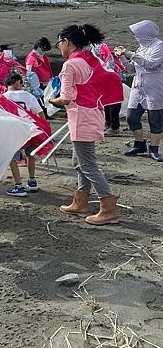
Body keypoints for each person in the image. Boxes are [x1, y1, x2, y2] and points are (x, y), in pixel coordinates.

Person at [49, 24, 123, 226]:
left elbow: (66, 97)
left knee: (88, 165)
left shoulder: (70, 65)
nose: (60, 48)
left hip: (82, 117)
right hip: (92, 114)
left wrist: (52, 101)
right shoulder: (90, 59)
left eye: (59, 43)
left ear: (67, 42)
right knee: (78, 161)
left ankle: (108, 208)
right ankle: (80, 202)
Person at [117, 20, 163, 160]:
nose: (136, 37)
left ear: (146, 33)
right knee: (131, 116)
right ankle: (139, 143)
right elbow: (130, 68)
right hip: (138, 86)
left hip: (155, 85)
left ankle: (154, 148)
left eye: (137, 34)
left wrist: (129, 53)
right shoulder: (140, 48)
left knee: (155, 119)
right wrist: (122, 57)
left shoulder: (159, 45)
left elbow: (151, 64)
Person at [1, 73, 44, 196]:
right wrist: (43, 127)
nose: (22, 86)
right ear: (16, 83)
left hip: (12, 132)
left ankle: (18, 185)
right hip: (29, 130)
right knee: (30, 155)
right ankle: (32, 181)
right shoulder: (28, 96)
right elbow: (40, 113)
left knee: (13, 159)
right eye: (21, 83)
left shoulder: (2, 98)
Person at [92, 41, 125, 137]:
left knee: (113, 101)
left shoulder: (101, 46)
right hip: (106, 75)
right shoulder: (94, 46)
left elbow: (109, 61)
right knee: (106, 100)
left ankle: (114, 127)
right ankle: (109, 124)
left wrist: (107, 74)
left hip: (110, 75)